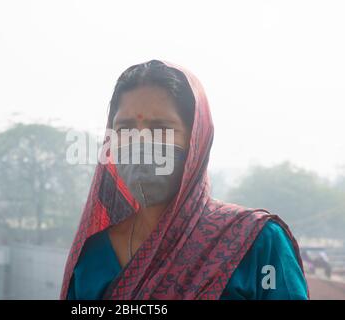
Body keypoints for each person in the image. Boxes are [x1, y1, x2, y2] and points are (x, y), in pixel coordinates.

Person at [60, 59, 309, 300]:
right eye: (124, 129)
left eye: (161, 129)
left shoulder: (257, 242)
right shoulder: (92, 258)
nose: (140, 143)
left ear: (196, 141)